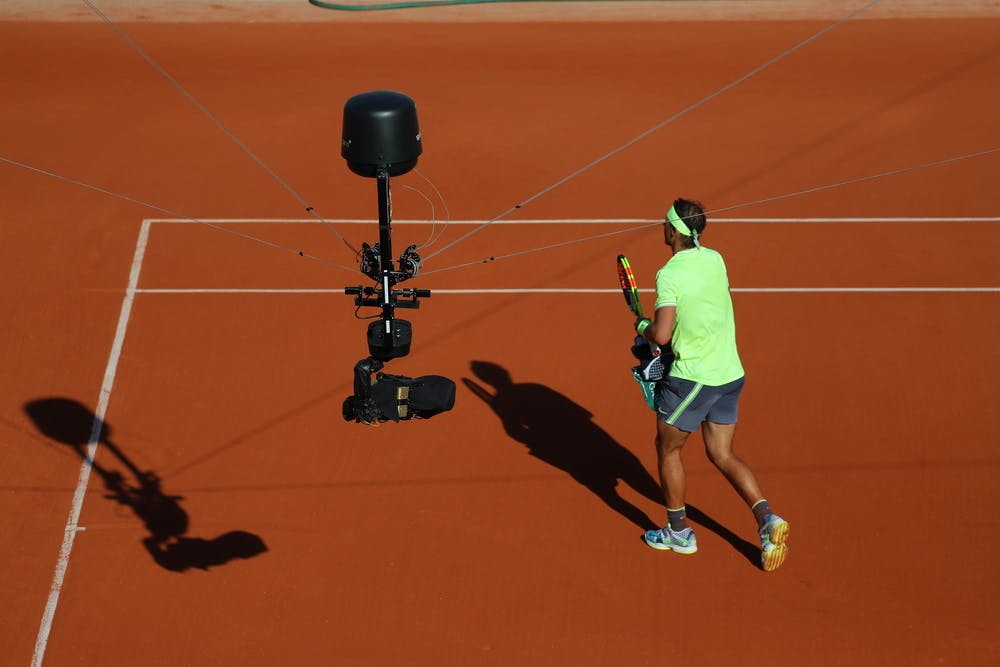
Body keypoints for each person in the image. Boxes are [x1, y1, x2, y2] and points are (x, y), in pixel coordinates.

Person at [634, 198, 790, 571]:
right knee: (722, 454)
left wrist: (643, 328)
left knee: (668, 449)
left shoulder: (669, 273)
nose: (662, 228)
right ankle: (768, 519)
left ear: (673, 231)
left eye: (664, 223)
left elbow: (664, 333)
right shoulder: (716, 259)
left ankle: (677, 532)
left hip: (693, 379)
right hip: (729, 375)